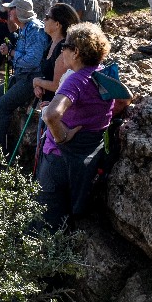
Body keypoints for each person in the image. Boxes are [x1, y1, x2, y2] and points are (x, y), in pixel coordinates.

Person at [36, 22, 115, 229]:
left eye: (65, 46)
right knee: (68, 217)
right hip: (85, 160)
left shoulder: (75, 80)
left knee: (44, 221)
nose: (62, 50)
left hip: (58, 159)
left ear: (76, 52)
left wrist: (62, 136)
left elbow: (52, 115)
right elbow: (124, 100)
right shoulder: (103, 75)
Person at [0, 0, 45, 154]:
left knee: (0, 108)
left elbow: (32, 61)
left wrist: (11, 53)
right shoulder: (25, 27)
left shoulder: (35, 29)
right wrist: (11, 52)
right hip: (22, 75)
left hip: (31, 78)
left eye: (11, 9)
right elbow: (24, 55)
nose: (8, 11)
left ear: (19, 11)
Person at [32, 3, 80, 101]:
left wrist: (37, 82)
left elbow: (57, 85)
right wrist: (39, 86)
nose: (44, 20)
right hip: (49, 104)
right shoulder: (51, 44)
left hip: (58, 108)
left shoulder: (64, 50)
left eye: (47, 17)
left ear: (57, 24)